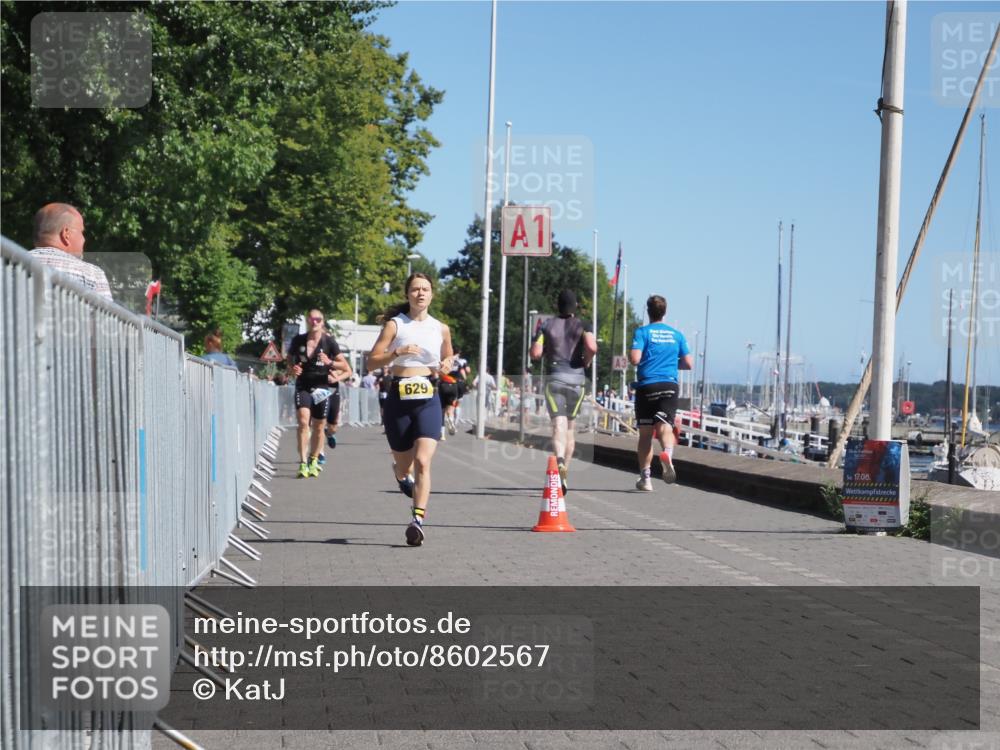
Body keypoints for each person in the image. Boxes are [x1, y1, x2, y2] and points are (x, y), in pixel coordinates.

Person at [366, 273, 454, 547]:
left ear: (432, 294)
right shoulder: (396, 325)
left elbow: (449, 355)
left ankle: (417, 520)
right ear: (408, 294)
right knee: (405, 464)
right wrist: (396, 352)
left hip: (429, 396)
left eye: (425, 289)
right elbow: (371, 363)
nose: (420, 294)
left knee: (424, 462)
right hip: (399, 398)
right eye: (415, 289)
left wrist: (448, 364)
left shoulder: (441, 328)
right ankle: (400, 474)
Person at [530, 289, 598, 494]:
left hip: (555, 378)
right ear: (575, 306)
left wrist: (542, 351)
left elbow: (535, 353)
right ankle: (565, 469)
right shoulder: (584, 324)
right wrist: (586, 361)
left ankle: (558, 459)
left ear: (557, 306)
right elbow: (592, 347)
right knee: (570, 426)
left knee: (557, 424)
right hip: (577, 380)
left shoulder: (547, 325)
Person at [630, 294, 693, 491]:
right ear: (664, 312)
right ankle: (667, 454)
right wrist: (672, 364)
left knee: (646, 435)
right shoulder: (677, 335)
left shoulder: (642, 332)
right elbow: (689, 363)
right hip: (669, 384)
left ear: (648, 311)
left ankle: (646, 479)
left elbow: (634, 359)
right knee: (665, 427)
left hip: (647, 386)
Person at [286, 309, 350, 478]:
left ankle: (314, 459)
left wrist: (330, 362)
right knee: (302, 422)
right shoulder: (298, 340)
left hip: (322, 387)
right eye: (312, 319)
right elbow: (289, 359)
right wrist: (293, 369)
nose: (315, 322)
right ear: (308, 321)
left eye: (318, 319)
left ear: (323, 322)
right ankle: (302, 462)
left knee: (320, 426)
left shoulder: (329, 342)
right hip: (303, 386)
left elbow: (345, 366)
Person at [29, 203, 113, 301]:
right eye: (81, 232)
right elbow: (104, 315)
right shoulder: (93, 275)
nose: (84, 239)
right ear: (66, 234)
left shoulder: (12, 262)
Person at [317, 342, 354, 467]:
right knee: (319, 423)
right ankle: (320, 453)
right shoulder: (312, 353)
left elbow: (348, 371)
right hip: (318, 391)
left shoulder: (334, 355)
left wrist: (336, 377)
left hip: (333, 391)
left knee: (333, 425)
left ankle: (330, 433)